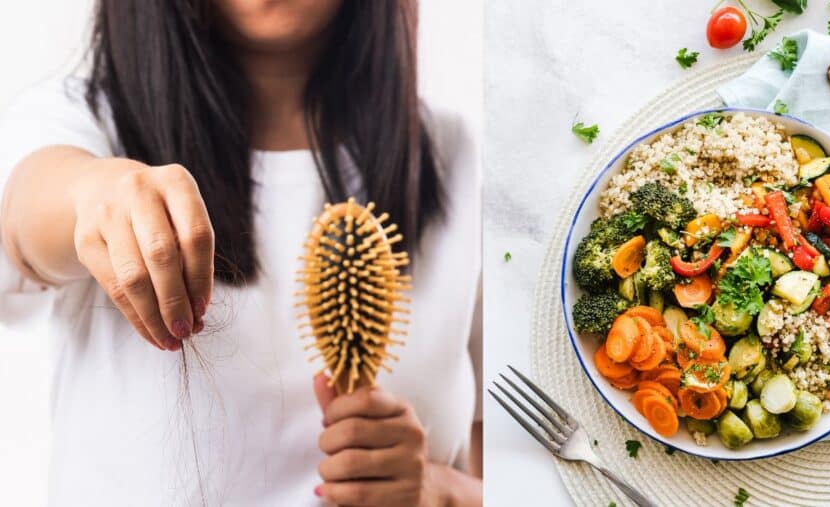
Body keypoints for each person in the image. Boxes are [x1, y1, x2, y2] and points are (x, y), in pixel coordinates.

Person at [0, 1, 481, 505]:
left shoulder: (452, 156)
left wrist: (438, 489)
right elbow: (27, 210)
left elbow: (522, 466)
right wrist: (97, 195)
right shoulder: (81, 123)